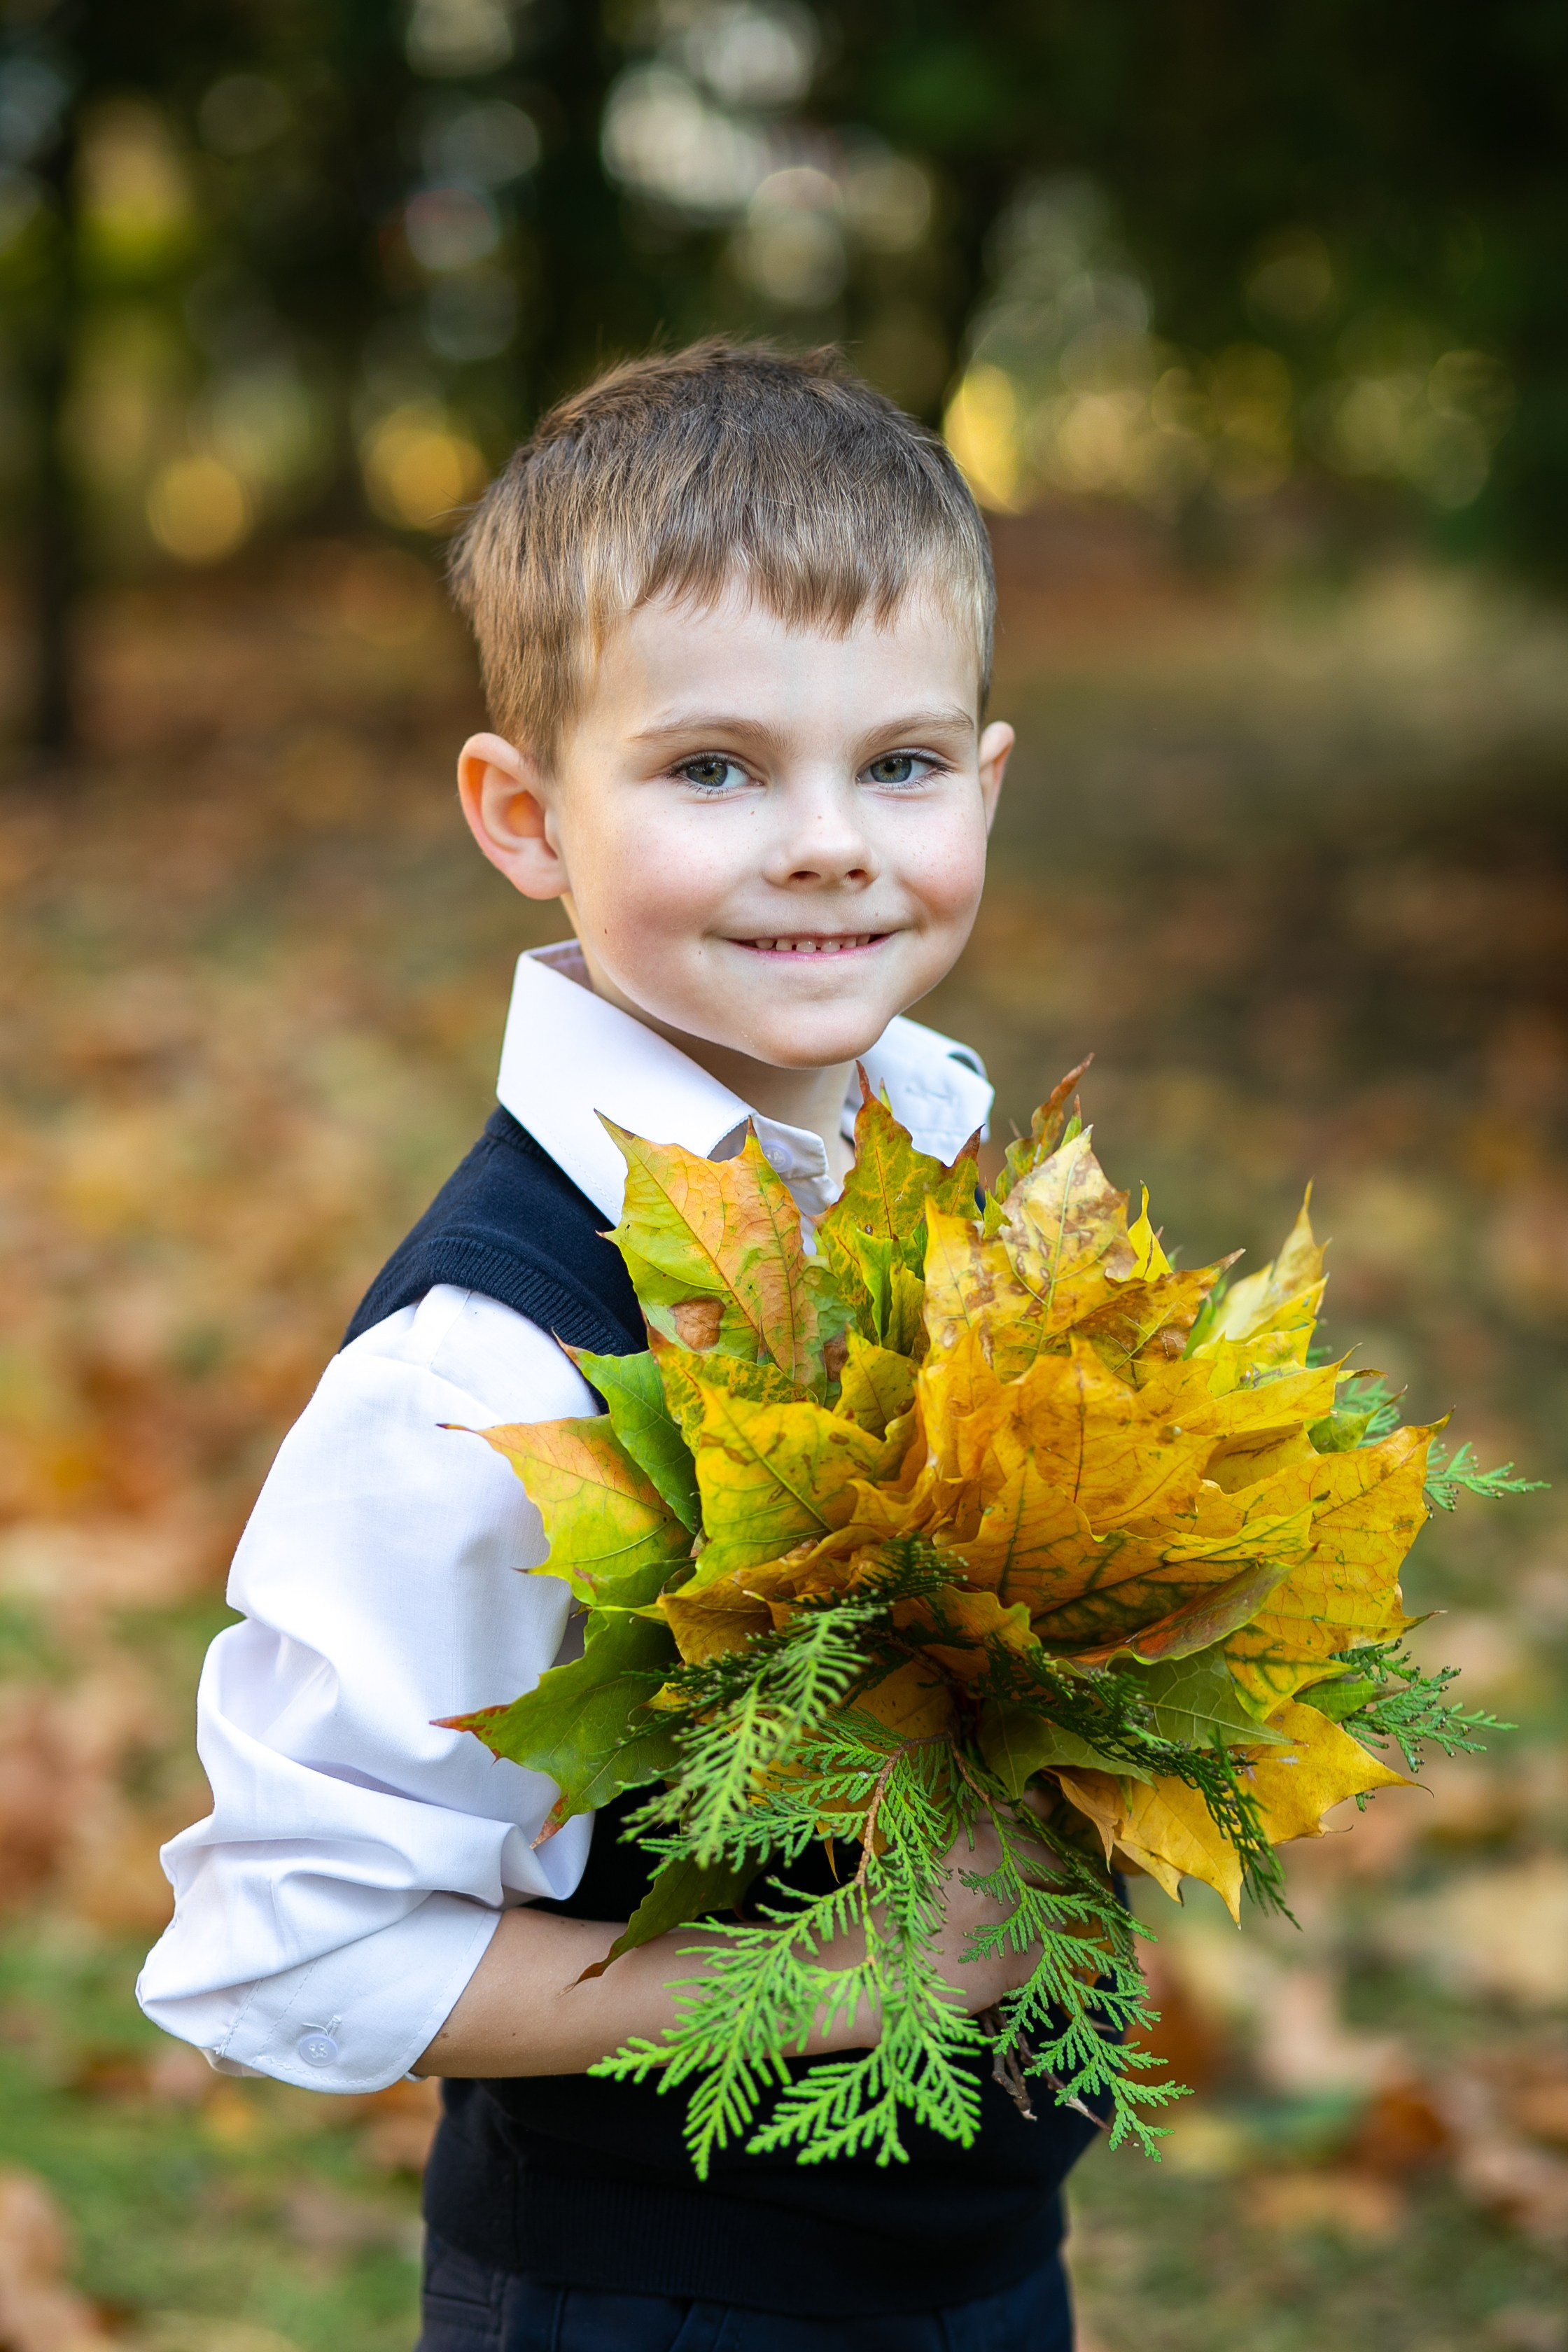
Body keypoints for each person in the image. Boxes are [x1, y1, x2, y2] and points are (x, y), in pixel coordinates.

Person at [139, 342, 1100, 2350]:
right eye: (713, 768)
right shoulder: (487, 1362)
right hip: (661, 2304)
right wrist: (832, 1984)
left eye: (900, 765)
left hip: (977, 2270)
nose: (830, 842)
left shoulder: (935, 1143)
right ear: (522, 813)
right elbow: (283, 1953)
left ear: (984, 782)